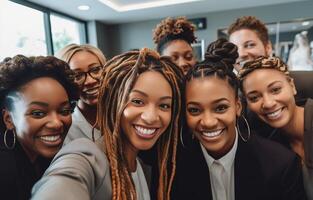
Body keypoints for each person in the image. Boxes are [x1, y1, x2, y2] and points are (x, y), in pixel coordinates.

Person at [31, 48, 184, 200]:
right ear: (113, 101)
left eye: (164, 105)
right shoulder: (88, 156)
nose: (151, 117)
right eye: (137, 101)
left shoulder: (142, 166)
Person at [171, 39, 307, 200]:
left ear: (238, 106)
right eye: (194, 110)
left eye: (220, 108)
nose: (208, 121)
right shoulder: (174, 167)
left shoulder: (280, 164)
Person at [0, 55, 78, 200]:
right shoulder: (4, 171)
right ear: (9, 119)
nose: (56, 123)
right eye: (38, 113)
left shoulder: (43, 153)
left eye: (64, 111)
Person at [238, 56, 313, 200]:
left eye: (275, 90)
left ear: (292, 86)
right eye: (254, 98)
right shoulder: (271, 148)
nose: (268, 103)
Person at [56, 44, 106, 144]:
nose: (90, 81)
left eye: (95, 70)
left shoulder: (123, 112)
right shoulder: (65, 128)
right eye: (77, 75)